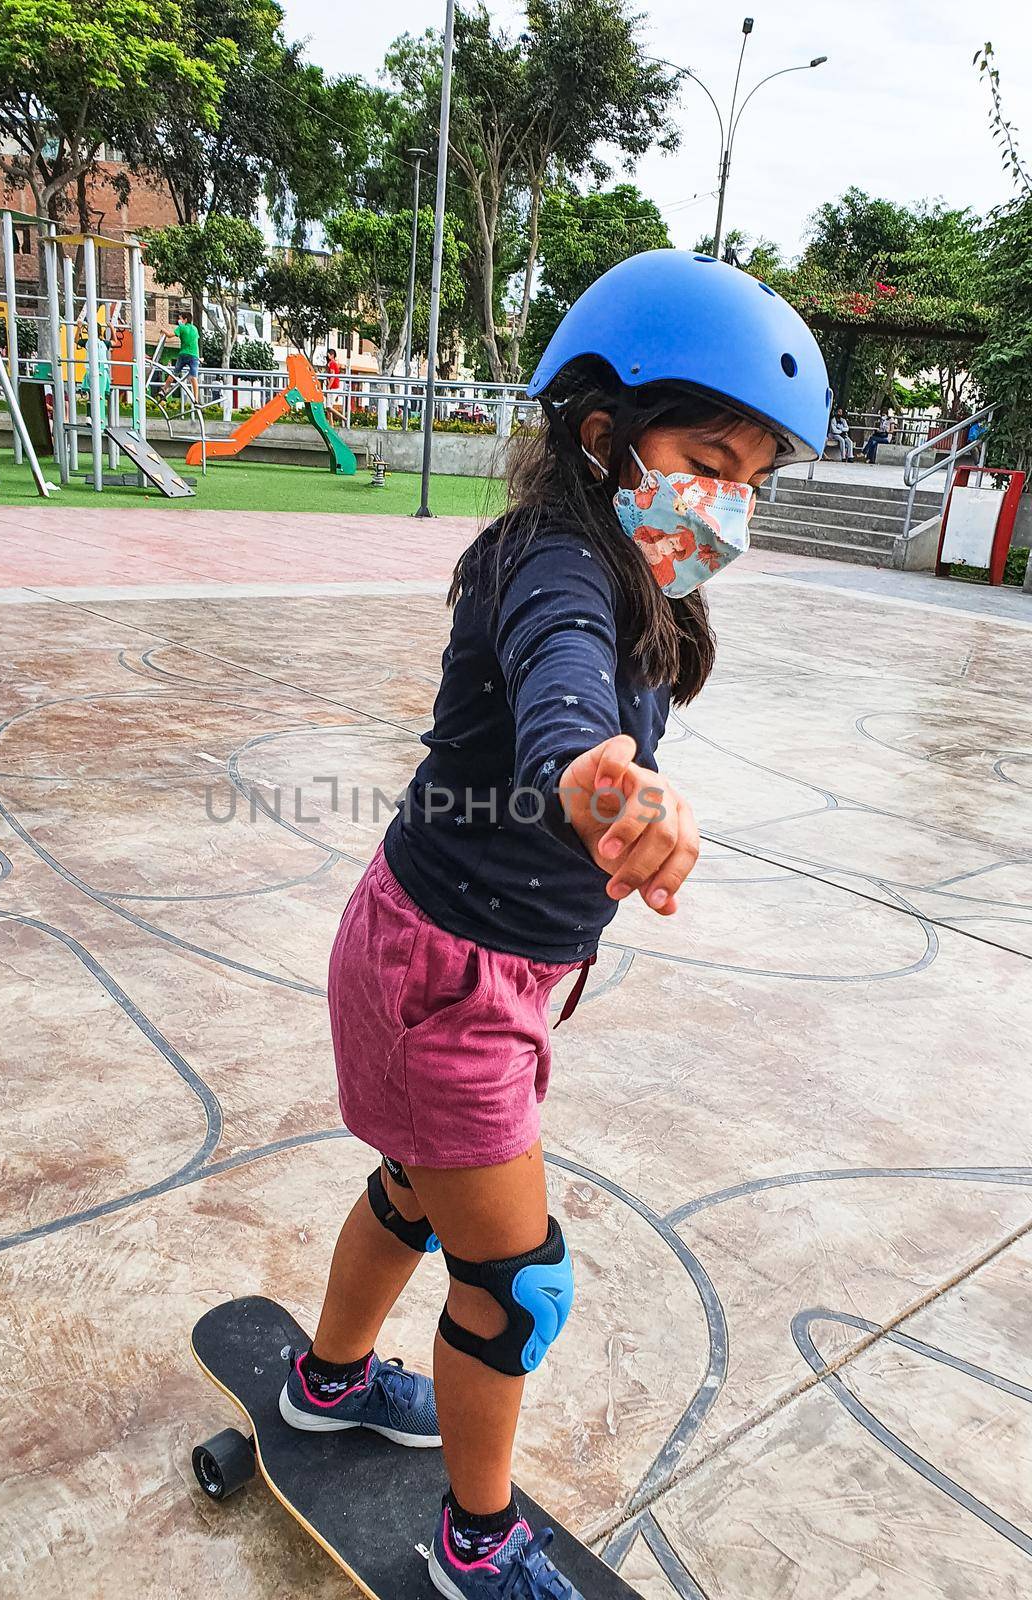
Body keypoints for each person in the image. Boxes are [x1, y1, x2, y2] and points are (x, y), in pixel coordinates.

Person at [282, 250, 831, 1599]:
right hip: (443, 978)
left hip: (467, 964)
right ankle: (477, 1546)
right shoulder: (553, 570)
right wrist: (603, 781)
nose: (731, 504)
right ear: (603, 432)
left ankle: (326, 1383)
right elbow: (563, 707)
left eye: (755, 479)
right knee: (519, 1285)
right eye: (711, 456)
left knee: (419, 1192)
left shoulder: (632, 570)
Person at [163, 312, 201, 405]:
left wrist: (162, 330)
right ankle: (196, 400)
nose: (179, 321)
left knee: (174, 373)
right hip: (194, 355)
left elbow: (169, 335)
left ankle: (164, 389)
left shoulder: (182, 327)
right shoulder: (195, 329)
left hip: (183, 354)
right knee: (194, 378)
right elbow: (195, 341)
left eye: (181, 319)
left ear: (185, 319)